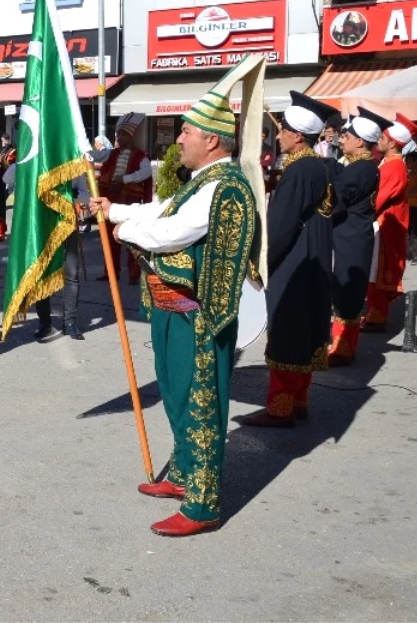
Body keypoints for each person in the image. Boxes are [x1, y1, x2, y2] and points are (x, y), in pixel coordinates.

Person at [91, 85, 259, 537]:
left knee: (201, 402)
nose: (177, 139)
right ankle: (182, 473)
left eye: (186, 132)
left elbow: (173, 232)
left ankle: (203, 505)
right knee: (175, 392)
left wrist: (123, 230)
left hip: (199, 315)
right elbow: (161, 209)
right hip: (173, 308)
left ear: (212, 140)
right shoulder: (201, 182)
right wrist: (115, 211)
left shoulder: (224, 186)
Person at [240, 92, 339, 428]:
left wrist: (258, 262)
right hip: (313, 256)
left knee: (287, 328)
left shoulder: (299, 170)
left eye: (282, 131)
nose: (278, 135)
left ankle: (279, 408)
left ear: (298, 136)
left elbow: (280, 226)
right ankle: (298, 400)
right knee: (305, 328)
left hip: (295, 260)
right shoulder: (317, 165)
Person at [326, 111, 381, 366]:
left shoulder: (361, 169)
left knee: (347, 290)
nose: (341, 140)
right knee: (344, 287)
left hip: (353, 236)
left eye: (346, 136)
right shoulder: (361, 166)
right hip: (352, 234)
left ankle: (343, 347)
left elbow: (338, 198)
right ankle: (341, 343)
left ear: (360, 142)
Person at [363, 113, 417, 332]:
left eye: (383, 136)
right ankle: (373, 312)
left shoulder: (394, 167)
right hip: (382, 222)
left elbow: (378, 199)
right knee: (374, 270)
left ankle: (377, 315)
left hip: (385, 224)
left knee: (377, 271)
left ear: (392, 142)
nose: (379, 139)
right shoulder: (389, 163)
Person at [98, 113, 152, 284]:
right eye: (118, 134)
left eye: (122, 134)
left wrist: (125, 179)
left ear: (131, 136)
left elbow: (146, 173)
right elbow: (98, 161)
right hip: (111, 200)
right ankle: (111, 273)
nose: (119, 138)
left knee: (130, 239)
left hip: (130, 202)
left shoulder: (139, 155)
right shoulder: (111, 154)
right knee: (108, 240)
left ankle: (134, 275)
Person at [34, 176, 89, 341]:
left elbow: (86, 194)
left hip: (66, 223)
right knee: (42, 274)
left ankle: (70, 322)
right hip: (42, 223)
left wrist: (67, 196)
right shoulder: (39, 159)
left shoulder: (70, 160)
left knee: (71, 273)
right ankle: (44, 322)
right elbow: (9, 177)